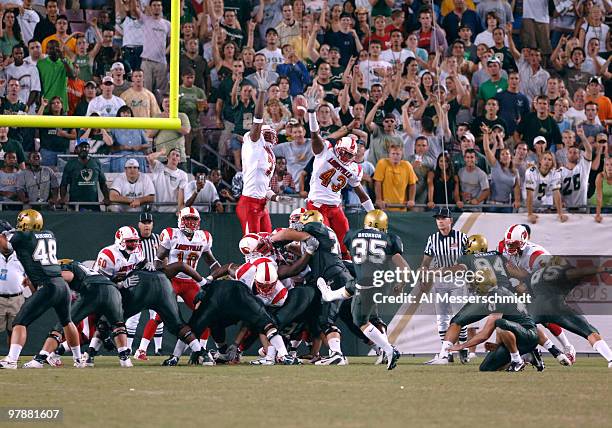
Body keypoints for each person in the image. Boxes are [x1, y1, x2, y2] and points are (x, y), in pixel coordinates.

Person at [317, 209, 410, 370]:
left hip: (366, 283)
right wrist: (401, 284)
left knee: (360, 321)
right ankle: (329, 295)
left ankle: (388, 349)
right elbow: (404, 267)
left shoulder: (352, 235)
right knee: (351, 286)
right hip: (381, 283)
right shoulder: (389, 238)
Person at [0, 209, 84, 369]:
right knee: (67, 322)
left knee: (19, 322)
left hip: (47, 286)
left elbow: (6, 247)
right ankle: (79, 359)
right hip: (61, 285)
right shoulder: (49, 234)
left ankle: (11, 360)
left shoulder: (22, 236)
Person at [23, 259, 133, 368]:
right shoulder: (77, 267)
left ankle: (40, 359)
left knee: (62, 326)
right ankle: (125, 359)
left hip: (92, 290)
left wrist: (43, 277)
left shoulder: (63, 266)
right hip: (113, 291)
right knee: (118, 325)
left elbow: (68, 275)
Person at [420, 207, 469, 363]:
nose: (440, 221)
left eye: (443, 218)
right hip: (440, 282)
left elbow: (467, 263)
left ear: (450, 220)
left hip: (458, 280)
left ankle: (464, 349)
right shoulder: (432, 239)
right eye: (437, 218)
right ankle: (446, 352)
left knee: (459, 317)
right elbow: (425, 262)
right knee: (442, 318)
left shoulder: (462, 238)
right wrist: (423, 276)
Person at [132, 212, 163, 357]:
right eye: (143, 222)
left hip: (156, 282)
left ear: (152, 224)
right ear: (139, 225)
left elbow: (166, 259)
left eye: (149, 222)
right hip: (139, 282)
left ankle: (158, 349)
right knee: (133, 316)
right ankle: (127, 348)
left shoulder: (159, 239)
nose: (146, 225)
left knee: (157, 315)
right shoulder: (133, 240)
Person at [130, 0, 170, 98]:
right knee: (146, 91)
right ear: (150, 7)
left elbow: (172, 42)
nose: (157, 7)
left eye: (159, 5)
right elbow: (134, 9)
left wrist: (165, 52)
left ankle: (161, 112)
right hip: (147, 61)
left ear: (162, 8)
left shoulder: (168, 24)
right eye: (154, 5)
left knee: (161, 92)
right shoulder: (145, 19)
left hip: (161, 62)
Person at [59, 141, 110, 212]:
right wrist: (62, 198)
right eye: (81, 147)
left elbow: (103, 183)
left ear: (89, 149)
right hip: (75, 204)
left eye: (86, 147)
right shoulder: (70, 164)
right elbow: (64, 184)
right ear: (76, 149)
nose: (84, 149)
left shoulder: (96, 162)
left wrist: (106, 198)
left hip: (93, 204)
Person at [0, 219, 26, 344]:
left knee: (15, 329)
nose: (9, 238)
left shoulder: (20, 252)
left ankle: (11, 358)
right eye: (6, 235)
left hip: (17, 298)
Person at [524, 148, 567, 223]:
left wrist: (560, 213)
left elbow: (556, 193)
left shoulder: (555, 173)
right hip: (527, 206)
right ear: (540, 160)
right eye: (545, 159)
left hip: (543, 206)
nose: (547, 161)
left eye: (550, 159)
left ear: (552, 162)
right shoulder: (531, 172)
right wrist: (530, 214)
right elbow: (529, 193)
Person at [373, 144, 417, 211]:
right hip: (385, 207)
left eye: (398, 154)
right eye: (393, 154)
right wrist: (379, 199)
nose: (395, 156)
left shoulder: (407, 165)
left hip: (401, 207)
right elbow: (377, 182)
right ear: (389, 154)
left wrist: (411, 200)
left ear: (401, 155)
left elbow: (413, 183)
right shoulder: (382, 163)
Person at [560, 128, 593, 210]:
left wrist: (582, 136)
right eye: (570, 152)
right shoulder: (559, 171)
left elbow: (589, 151)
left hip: (581, 209)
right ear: (566, 155)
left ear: (579, 155)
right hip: (566, 210)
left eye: (575, 152)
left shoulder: (583, 167)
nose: (572, 154)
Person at [109, 106, 150, 172]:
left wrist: (140, 147)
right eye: (123, 113)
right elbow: (110, 147)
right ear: (119, 115)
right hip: (120, 160)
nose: (126, 114)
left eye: (128, 113)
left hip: (138, 158)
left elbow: (147, 145)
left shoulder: (138, 127)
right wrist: (121, 147)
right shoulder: (114, 128)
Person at [147, 148, 188, 213]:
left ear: (179, 160)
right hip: (156, 210)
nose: (174, 157)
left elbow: (181, 193)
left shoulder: (183, 175)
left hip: (172, 211)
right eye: (173, 154)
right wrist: (161, 152)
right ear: (168, 157)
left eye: (177, 155)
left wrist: (179, 209)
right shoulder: (158, 167)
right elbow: (150, 157)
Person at [592, 156, 612, 222]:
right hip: (597, 207)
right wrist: (598, 214)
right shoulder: (600, 176)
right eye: (607, 165)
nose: (609, 167)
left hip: (609, 206)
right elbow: (599, 197)